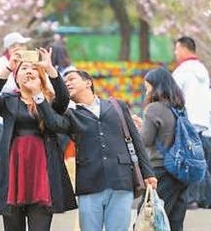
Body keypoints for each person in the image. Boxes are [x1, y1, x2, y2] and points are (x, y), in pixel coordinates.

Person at [37, 70, 156, 231]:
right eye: (65, 82)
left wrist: (148, 173)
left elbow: (136, 140)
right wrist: (38, 96)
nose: (67, 83)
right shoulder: (71, 115)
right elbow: (53, 123)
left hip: (121, 179)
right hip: (89, 183)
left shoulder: (117, 105)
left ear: (88, 82)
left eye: (72, 79)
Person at [0, 49, 77, 231]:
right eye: (24, 68)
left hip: (42, 168)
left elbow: (64, 98)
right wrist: (9, 67)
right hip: (14, 168)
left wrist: (50, 70)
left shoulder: (49, 102)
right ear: (17, 78)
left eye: (34, 68)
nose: (29, 71)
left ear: (41, 78)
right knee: (13, 225)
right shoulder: (9, 101)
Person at [135, 67, 189, 231]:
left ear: (156, 87)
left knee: (149, 218)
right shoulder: (179, 108)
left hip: (161, 170)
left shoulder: (154, 108)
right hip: (181, 169)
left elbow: (146, 140)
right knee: (174, 220)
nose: (146, 92)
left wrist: (137, 129)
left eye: (148, 87)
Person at [170, 36, 211, 208]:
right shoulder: (202, 70)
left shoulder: (182, 71)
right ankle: (208, 198)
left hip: (186, 121)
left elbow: (173, 95)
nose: (175, 53)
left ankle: (195, 199)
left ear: (184, 49)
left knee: (191, 161)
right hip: (201, 122)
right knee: (197, 161)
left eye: (177, 49)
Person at [0, 32, 31, 149]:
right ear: (13, 48)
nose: (24, 48)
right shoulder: (1, 63)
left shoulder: (27, 63)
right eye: (21, 45)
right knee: (4, 154)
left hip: (18, 117)